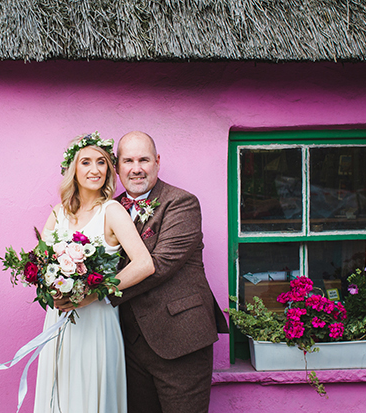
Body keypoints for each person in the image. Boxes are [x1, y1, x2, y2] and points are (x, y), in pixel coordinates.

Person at [33, 132, 154, 413]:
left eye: (101, 163)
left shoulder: (111, 211)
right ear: (73, 170)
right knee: (59, 392)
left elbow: (144, 264)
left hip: (96, 319)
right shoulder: (58, 212)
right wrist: (52, 287)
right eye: (86, 162)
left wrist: (91, 294)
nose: (95, 169)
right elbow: (39, 264)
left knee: (90, 394)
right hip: (58, 317)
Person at [110, 131, 228, 413]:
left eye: (144, 159)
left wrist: (97, 294)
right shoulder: (109, 210)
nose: (136, 168)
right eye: (128, 160)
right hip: (129, 343)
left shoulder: (181, 202)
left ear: (157, 162)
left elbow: (160, 265)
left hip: (181, 339)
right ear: (117, 167)